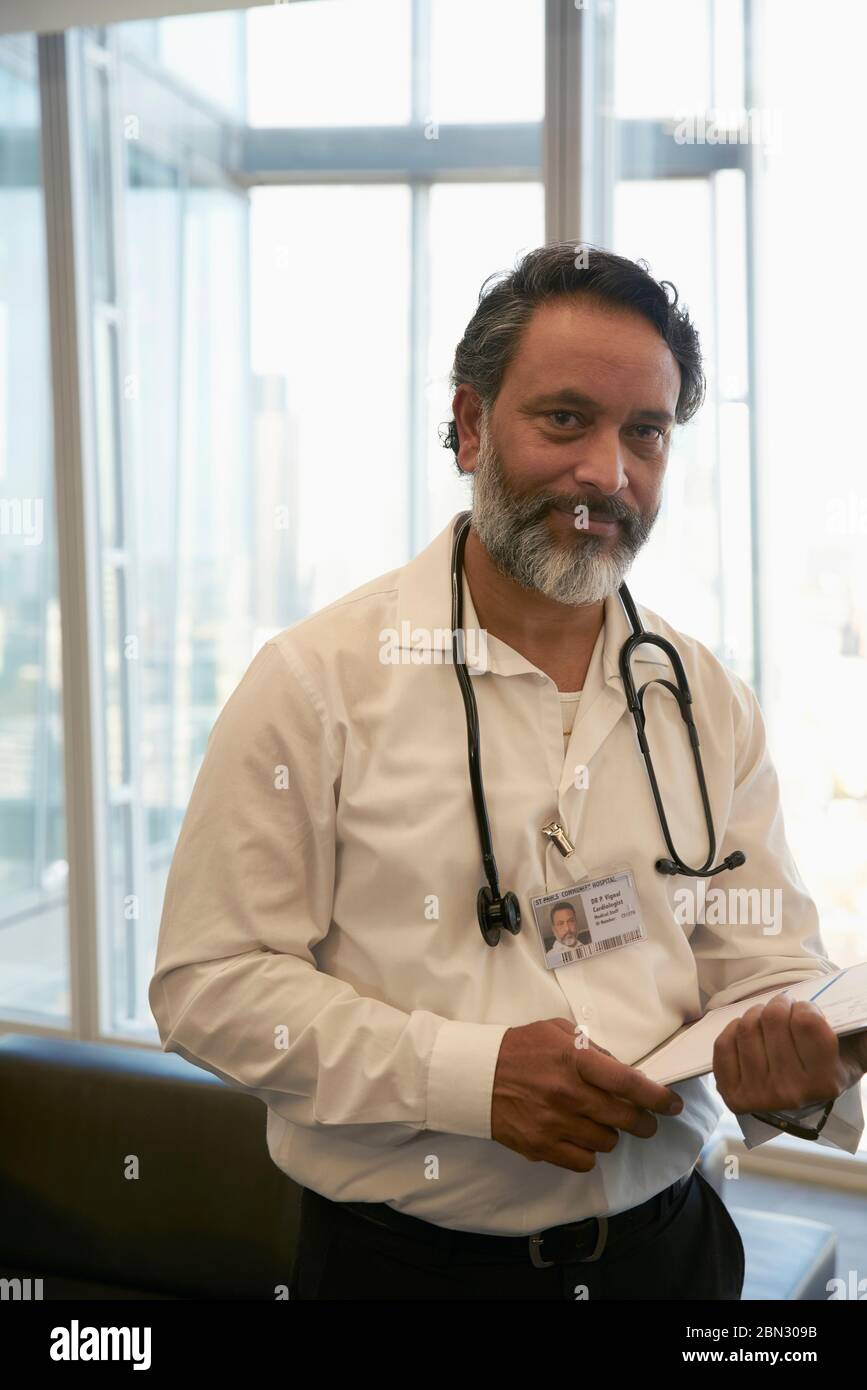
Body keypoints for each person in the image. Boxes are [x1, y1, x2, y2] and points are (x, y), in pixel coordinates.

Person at [149, 242, 867, 1301]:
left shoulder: (701, 695)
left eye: (647, 433)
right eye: (565, 420)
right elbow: (206, 985)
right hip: (406, 1272)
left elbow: (763, 964)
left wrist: (797, 1053)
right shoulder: (316, 683)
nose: (607, 474)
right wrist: (467, 1079)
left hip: (670, 1257)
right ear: (472, 424)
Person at [545, 901, 591, 966]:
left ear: (576, 923)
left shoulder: (588, 949)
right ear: (554, 930)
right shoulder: (549, 958)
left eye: (571, 921)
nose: (567, 929)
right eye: (560, 924)